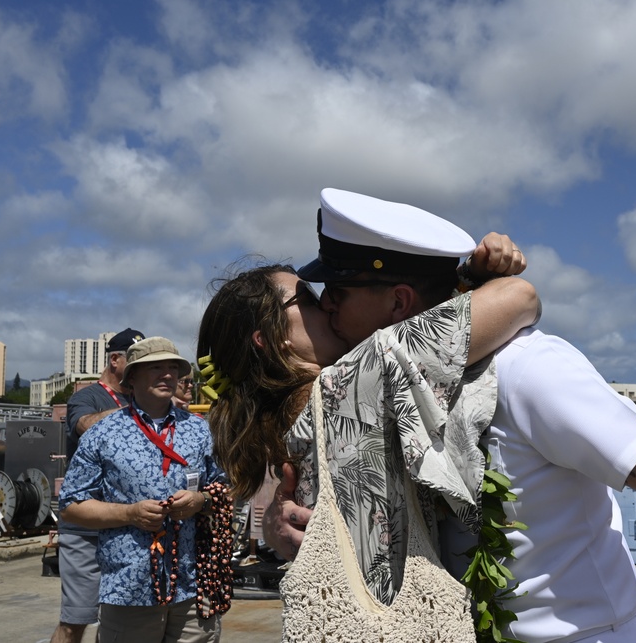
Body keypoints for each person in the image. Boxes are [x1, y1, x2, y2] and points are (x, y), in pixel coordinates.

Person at [264, 188, 636, 643]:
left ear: (398, 302)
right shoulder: (373, 399)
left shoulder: (526, 368)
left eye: (337, 293)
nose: (326, 307)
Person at [198, 200, 537, 608]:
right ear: (270, 338)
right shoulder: (350, 383)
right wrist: (469, 274)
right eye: (306, 299)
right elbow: (520, 296)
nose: (325, 303)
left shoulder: (291, 417)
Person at [59, 337, 230, 643]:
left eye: (173, 368)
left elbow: (224, 488)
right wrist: (130, 513)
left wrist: (200, 500)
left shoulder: (200, 429)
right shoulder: (104, 433)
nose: (167, 374)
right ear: (133, 378)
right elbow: (72, 504)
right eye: (156, 367)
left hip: (192, 586)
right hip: (130, 588)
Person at [52, 327, 145, 643]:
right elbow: (83, 424)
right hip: (85, 528)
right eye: (135, 360)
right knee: (75, 621)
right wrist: (134, 413)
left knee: (124, 621)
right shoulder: (87, 397)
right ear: (115, 360)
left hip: (127, 527)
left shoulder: (141, 401)